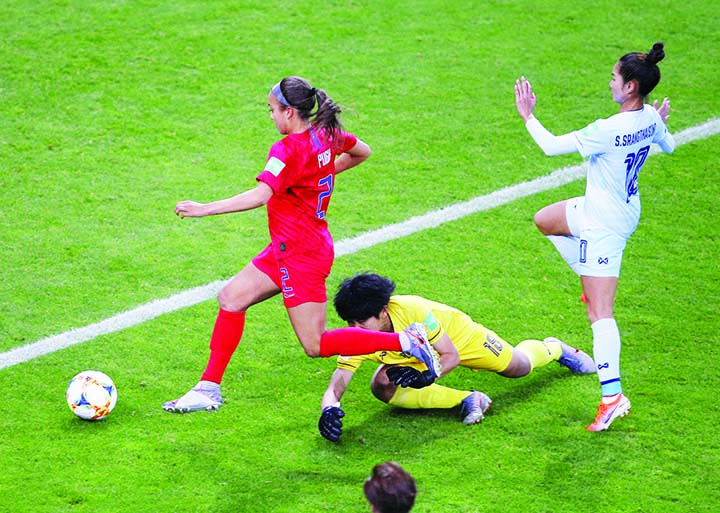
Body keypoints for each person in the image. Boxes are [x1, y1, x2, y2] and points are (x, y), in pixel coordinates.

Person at [163, 77, 440, 414]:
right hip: (291, 246)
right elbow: (361, 152)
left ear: (289, 112)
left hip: (301, 255)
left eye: (272, 110)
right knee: (232, 298)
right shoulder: (327, 134)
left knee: (315, 343)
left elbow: (262, 195)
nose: (270, 117)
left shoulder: (286, 149)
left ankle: (406, 341)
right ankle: (208, 389)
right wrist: (317, 177)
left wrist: (203, 208)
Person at [514, 42, 676, 431]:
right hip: (610, 208)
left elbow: (551, 147)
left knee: (599, 313)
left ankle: (611, 397)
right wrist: (660, 123)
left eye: (614, 78)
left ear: (631, 87)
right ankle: (590, 276)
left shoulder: (608, 129)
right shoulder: (650, 117)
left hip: (604, 224)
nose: (610, 83)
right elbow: (668, 145)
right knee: (545, 219)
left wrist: (528, 116)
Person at [317, 273, 595, 442]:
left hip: (459, 339)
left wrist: (427, 377)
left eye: (361, 320)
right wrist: (329, 408)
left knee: (519, 368)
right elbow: (338, 381)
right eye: (350, 322)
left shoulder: (414, 311)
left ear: (384, 311)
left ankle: (556, 348)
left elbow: (450, 354)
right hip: (411, 351)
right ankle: (468, 399)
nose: (356, 329)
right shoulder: (358, 335)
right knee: (381, 385)